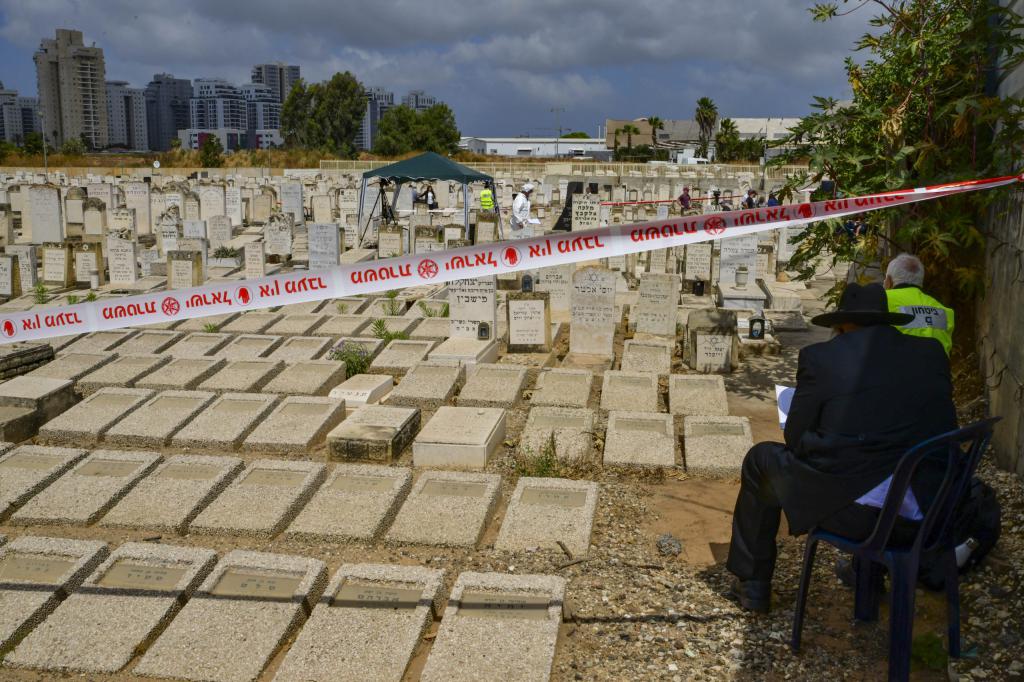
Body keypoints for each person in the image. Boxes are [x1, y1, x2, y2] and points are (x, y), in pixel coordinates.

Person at [725, 283, 957, 613]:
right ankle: (869, 573)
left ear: (843, 324)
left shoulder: (822, 359)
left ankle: (754, 584)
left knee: (761, 459)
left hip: (860, 517)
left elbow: (796, 438)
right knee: (884, 460)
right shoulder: (930, 353)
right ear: (887, 321)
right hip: (931, 510)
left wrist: (823, 438)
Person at [884, 253, 955, 356]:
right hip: (939, 370)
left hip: (897, 369)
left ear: (889, 281)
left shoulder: (882, 299)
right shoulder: (944, 311)